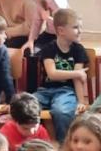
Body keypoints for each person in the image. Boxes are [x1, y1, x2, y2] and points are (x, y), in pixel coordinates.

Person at [34, 8, 90, 142]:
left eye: (80, 27)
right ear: (61, 31)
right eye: (76, 27)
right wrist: (77, 73)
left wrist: (81, 101)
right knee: (26, 105)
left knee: (62, 111)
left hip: (66, 92)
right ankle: (33, 141)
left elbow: (77, 80)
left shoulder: (78, 50)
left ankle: (63, 145)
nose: (80, 31)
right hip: (45, 91)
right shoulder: (49, 48)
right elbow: (52, 74)